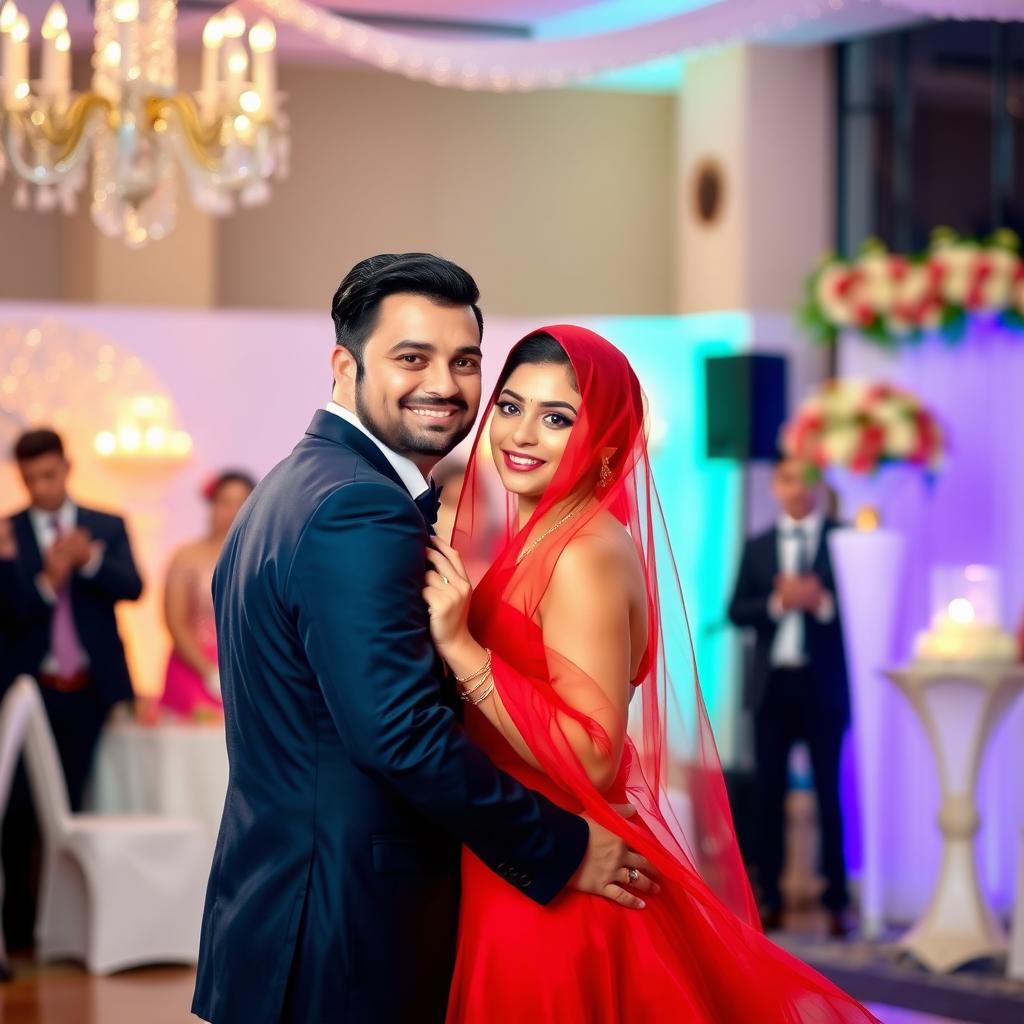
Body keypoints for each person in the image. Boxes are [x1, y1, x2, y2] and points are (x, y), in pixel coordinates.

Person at [191, 255, 654, 1024]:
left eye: (465, 360)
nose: (444, 383)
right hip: (344, 924)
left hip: (289, 913)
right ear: (345, 366)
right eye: (412, 357)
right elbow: (398, 737)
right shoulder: (359, 508)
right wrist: (563, 847)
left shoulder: (292, 484)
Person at [424, 327, 876, 1022]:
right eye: (511, 407)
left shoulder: (583, 553)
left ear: (604, 438)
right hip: (521, 859)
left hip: (560, 885)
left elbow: (597, 755)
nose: (521, 433)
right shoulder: (546, 537)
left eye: (556, 418)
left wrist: (463, 653)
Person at [0, 429, 143, 957]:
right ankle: (18, 936)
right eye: (31, 478)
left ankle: (71, 932)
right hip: (27, 693)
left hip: (90, 694)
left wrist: (88, 562)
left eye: (50, 474)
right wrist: (48, 578)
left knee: (81, 809)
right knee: (18, 815)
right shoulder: (8, 531)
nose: (42, 486)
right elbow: (7, 616)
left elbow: (133, 587)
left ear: (67, 466)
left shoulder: (105, 524)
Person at [728, 454, 851, 936]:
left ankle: (838, 897)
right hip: (772, 686)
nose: (797, 489)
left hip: (823, 686)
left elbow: (863, 611)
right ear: (776, 486)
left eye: (806, 479)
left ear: (819, 486)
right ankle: (771, 898)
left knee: (829, 790)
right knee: (768, 795)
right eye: (787, 479)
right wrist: (780, 601)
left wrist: (820, 601)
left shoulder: (842, 542)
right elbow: (737, 609)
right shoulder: (758, 546)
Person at [158, 470, 255, 719]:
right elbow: (174, 621)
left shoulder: (263, 557)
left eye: (242, 502)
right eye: (225, 502)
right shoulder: (186, 557)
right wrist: (210, 672)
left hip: (248, 666)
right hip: (194, 667)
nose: (233, 511)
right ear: (212, 505)